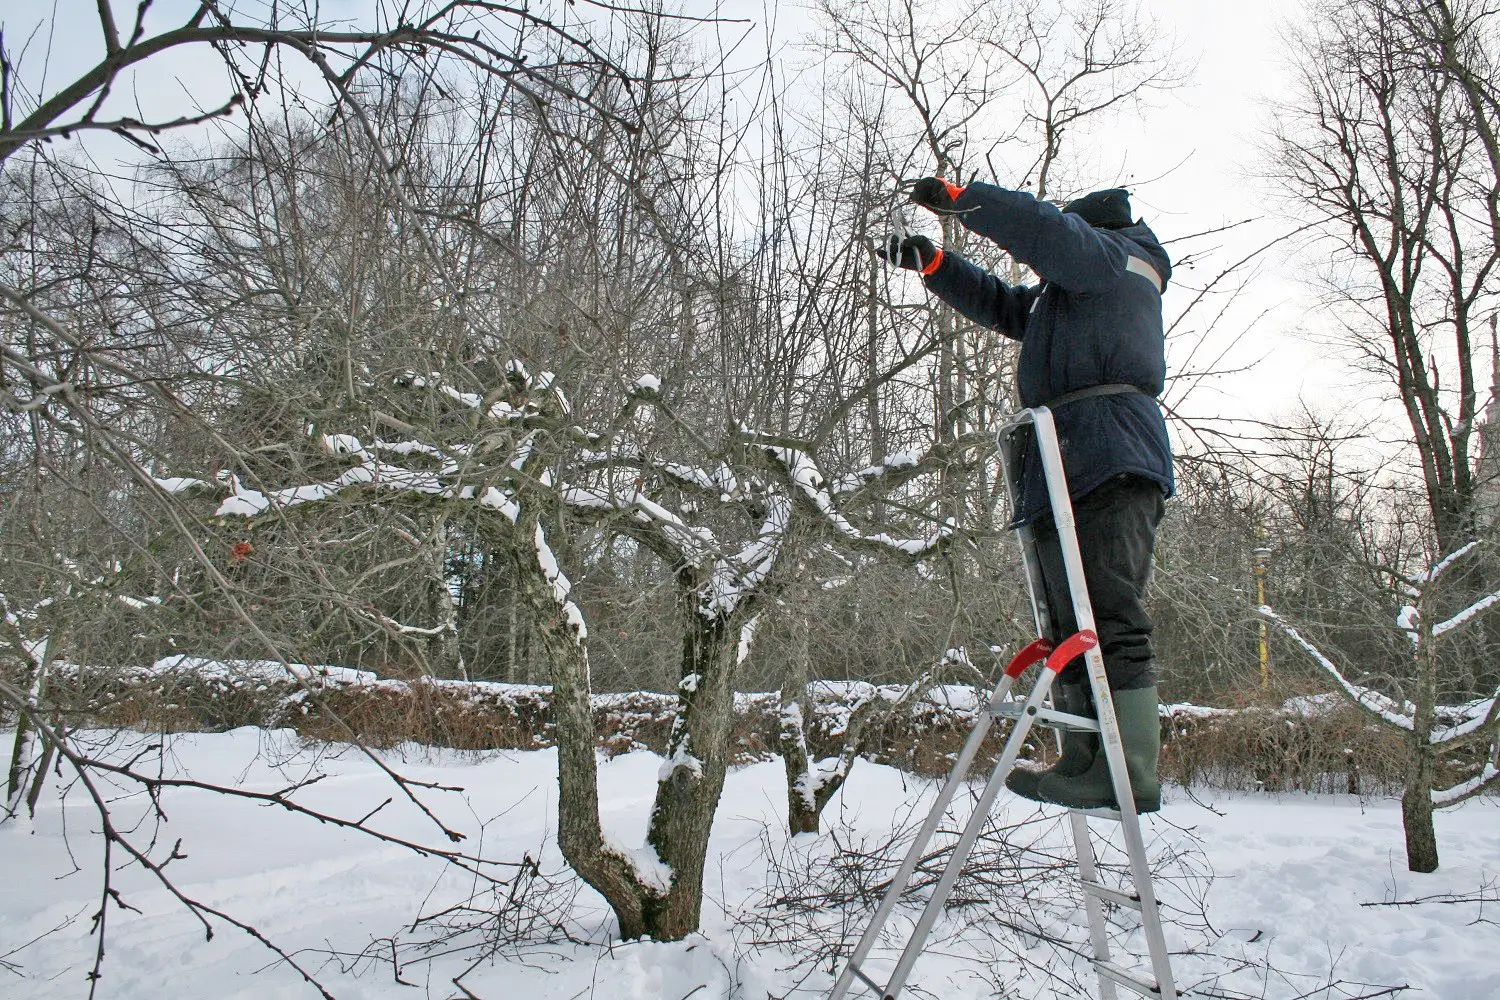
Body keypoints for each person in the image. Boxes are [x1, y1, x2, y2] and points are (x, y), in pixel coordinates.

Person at [876, 179, 1172, 813]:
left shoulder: (1115, 258)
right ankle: (1085, 758)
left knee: (1108, 610)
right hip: (1064, 457)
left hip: (1109, 454)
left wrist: (965, 198)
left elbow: (1047, 232)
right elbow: (1009, 306)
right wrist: (936, 264)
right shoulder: (1078, 292)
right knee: (1068, 621)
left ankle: (1132, 771)